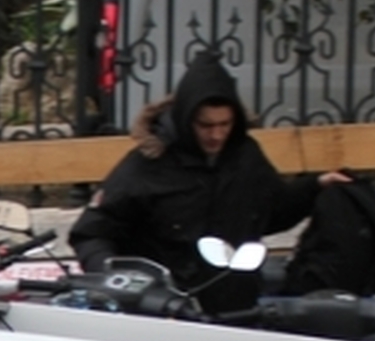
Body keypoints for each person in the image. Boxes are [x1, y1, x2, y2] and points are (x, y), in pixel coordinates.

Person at [71, 52, 357, 317]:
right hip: (167, 312)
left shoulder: (245, 156)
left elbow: (272, 211)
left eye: (225, 124)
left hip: (238, 308)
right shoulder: (147, 166)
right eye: (205, 126)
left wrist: (316, 186)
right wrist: (115, 277)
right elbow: (92, 232)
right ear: (186, 120)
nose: (216, 135)